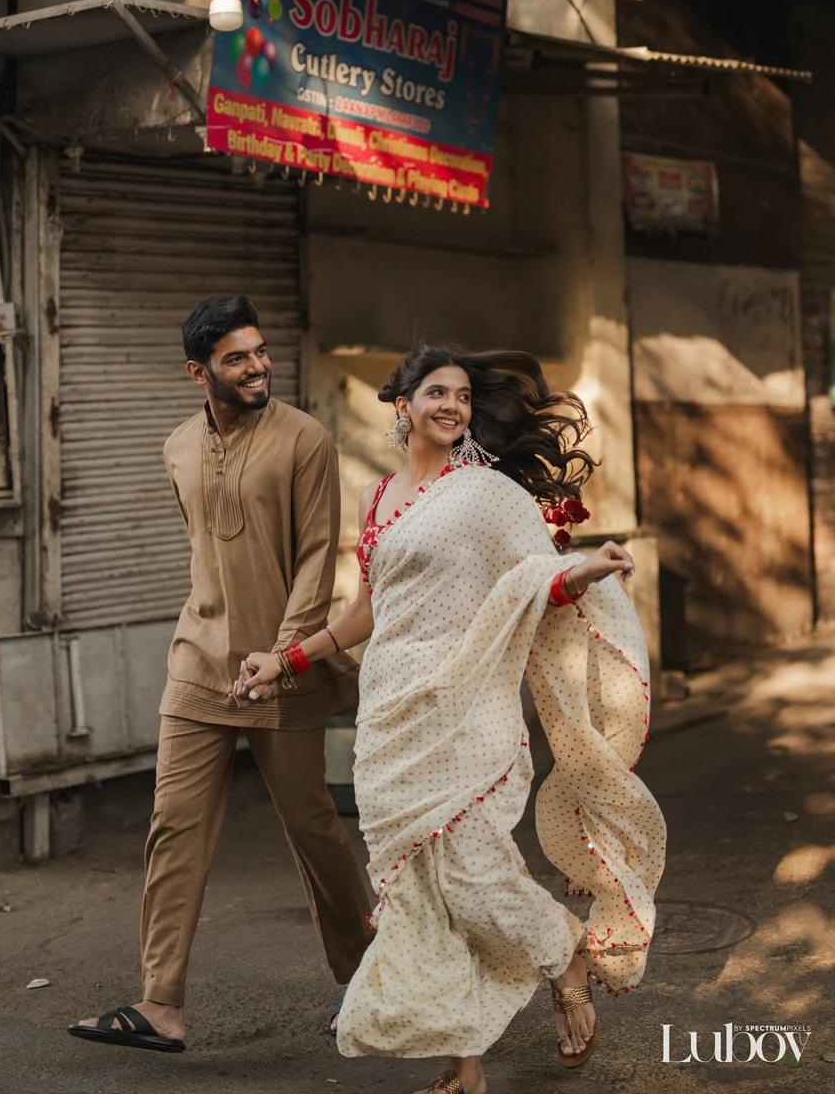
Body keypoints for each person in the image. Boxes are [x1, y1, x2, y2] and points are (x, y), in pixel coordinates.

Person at [235, 344, 667, 1094]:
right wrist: (287, 660)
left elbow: (535, 574)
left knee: (472, 876)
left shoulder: (487, 494)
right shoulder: (380, 499)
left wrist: (585, 570)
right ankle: (463, 1061)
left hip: (469, 704)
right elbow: (365, 612)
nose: (451, 406)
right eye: (435, 391)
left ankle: (562, 953)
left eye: (462, 396)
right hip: (392, 717)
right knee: (416, 893)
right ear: (401, 406)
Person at [69, 294, 372, 1054]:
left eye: (260, 352)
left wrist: (285, 651)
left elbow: (313, 558)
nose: (257, 366)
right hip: (198, 662)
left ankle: (375, 976)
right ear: (198, 371)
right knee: (173, 826)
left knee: (312, 827)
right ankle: (160, 1002)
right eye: (237, 357)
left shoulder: (305, 439)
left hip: (284, 666)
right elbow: (206, 553)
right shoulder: (176, 446)